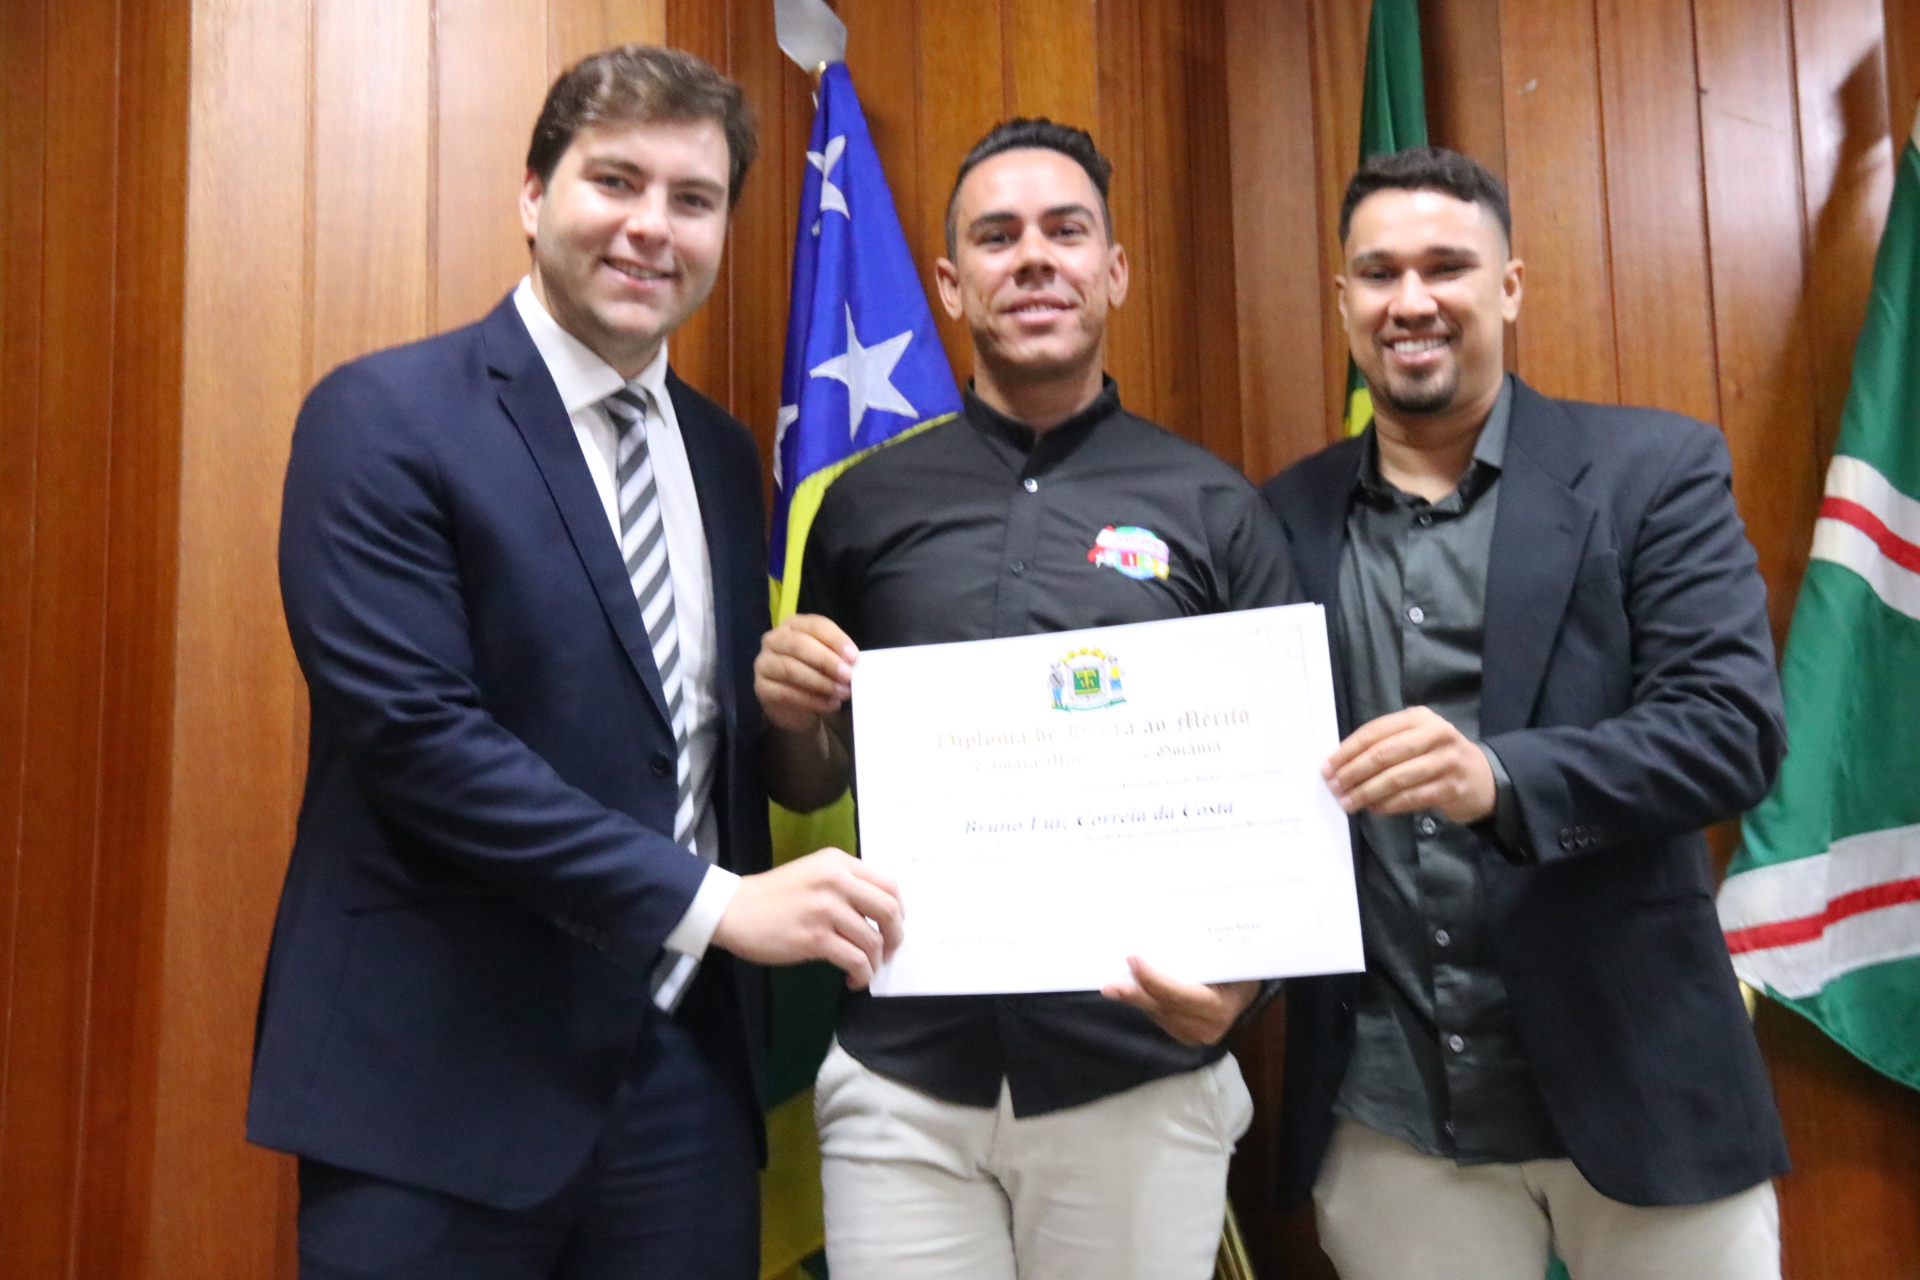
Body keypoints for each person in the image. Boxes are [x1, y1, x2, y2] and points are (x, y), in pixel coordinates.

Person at [251, 45, 903, 1280]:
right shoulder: (383, 417)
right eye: (616, 181)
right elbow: (420, 743)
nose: (653, 226)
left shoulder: (721, 456)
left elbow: (687, 748)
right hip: (439, 1080)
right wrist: (719, 904)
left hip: (685, 1087)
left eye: (694, 199)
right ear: (533, 193)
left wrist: (789, 715)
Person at [754, 118, 1296, 1280]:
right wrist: (791, 714)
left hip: (1134, 1069)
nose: (1035, 257)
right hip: (905, 1074)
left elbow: (1284, 797)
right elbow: (812, 779)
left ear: (1115, 269)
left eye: (1066, 230)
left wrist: (1243, 991)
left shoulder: (1216, 507)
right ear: (952, 284)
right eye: (997, 237)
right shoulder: (861, 505)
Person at [1260, 145, 1789, 1280]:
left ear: (1508, 287)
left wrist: (1498, 778)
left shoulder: (1652, 469)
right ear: (1343, 301)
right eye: (1379, 273)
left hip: (1645, 1087)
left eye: (1447, 266)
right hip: (1395, 1118)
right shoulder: (1278, 517)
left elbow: (1730, 730)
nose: (1411, 300)